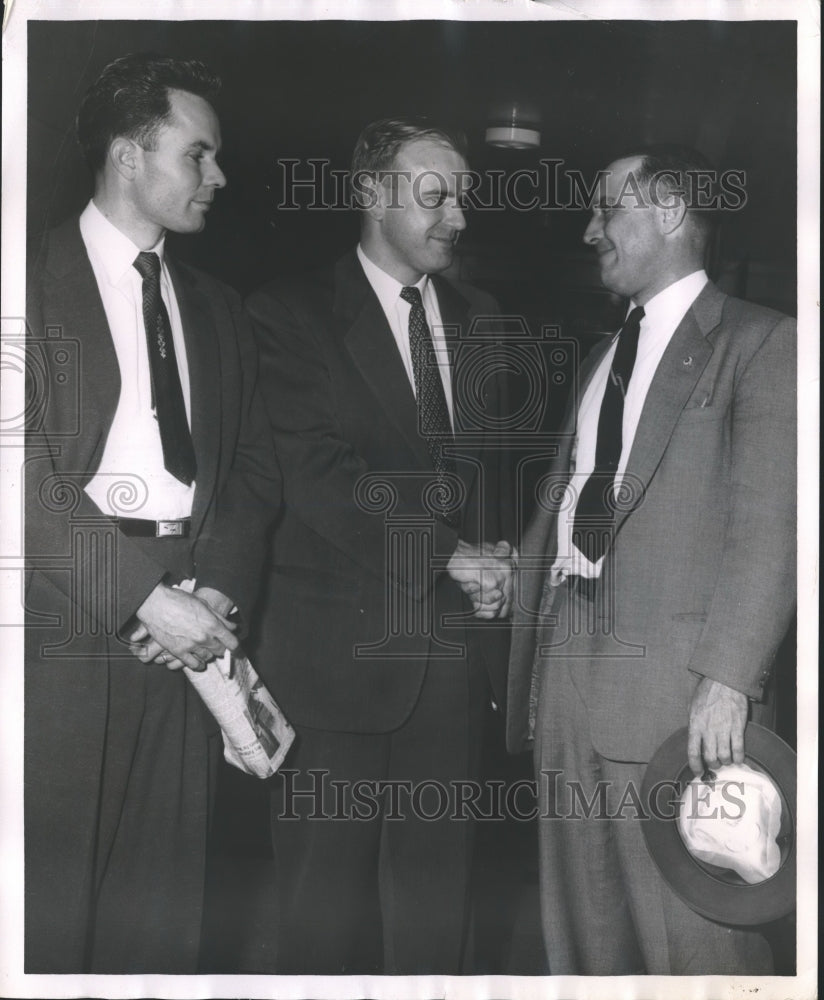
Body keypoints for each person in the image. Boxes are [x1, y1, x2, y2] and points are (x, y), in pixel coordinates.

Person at [506, 145, 796, 975]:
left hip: (681, 693)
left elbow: (769, 524)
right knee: (584, 941)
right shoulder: (601, 359)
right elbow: (573, 509)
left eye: (607, 207)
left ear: (669, 213)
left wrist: (729, 679)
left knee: (696, 943)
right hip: (566, 677)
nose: (590, 228)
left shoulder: (764, 343)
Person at [24, 52, 280, 973]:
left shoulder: (219, 309)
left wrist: (208, 595)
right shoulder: (23, 278)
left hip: (191, 639)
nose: (219, 177)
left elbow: (253, 472)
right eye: (199, 155)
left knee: (162, 919)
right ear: (130, 156)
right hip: (55, 637)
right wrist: (141, 597)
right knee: (46, 921)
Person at [246, 117, 515, 974]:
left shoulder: (483, 319)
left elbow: (500, 470)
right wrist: (447, 555)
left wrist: (503, 552)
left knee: (439, 913)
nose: (458, 218)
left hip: (449, 671)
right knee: (322, 916)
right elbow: (320, 476)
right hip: (332, 671)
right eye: (435, 196)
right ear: (370, 194)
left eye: (463, 198)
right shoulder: (287, 315)